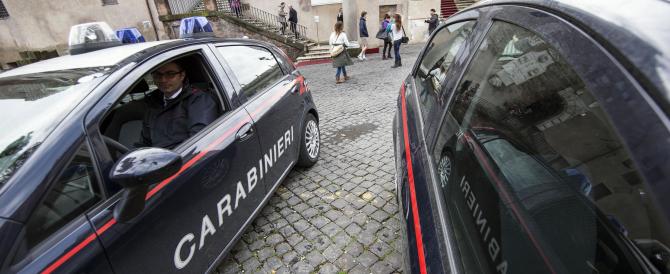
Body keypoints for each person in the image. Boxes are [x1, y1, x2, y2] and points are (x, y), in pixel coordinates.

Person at [139, 61, 218, 149]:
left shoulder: (198, 100)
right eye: (158, 75)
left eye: (170, 74)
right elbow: (144, 142)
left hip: (182, 157)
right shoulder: (152, 103)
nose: (163, 80)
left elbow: (199, 140)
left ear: (182, 76)